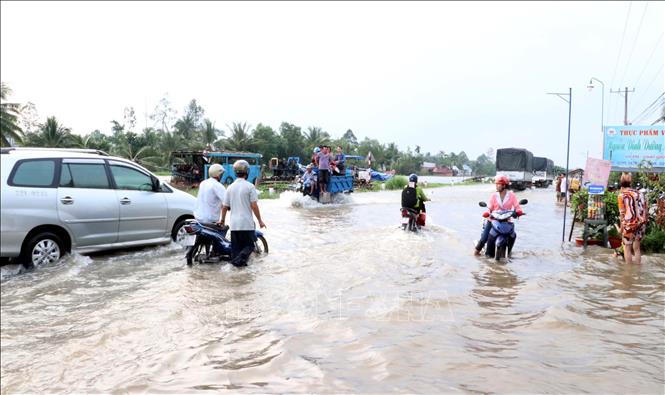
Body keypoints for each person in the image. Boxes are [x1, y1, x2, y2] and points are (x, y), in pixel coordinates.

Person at [220, 160, 266, 267]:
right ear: (247, 172)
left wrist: (222, 220)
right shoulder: (250, 187)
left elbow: (224, 207)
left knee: (236, 251)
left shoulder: (230, 187)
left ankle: (237, 276)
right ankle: (237, 264)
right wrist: (260, 220)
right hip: (246, 223)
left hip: (234, 225)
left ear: (235, 173)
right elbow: (254, 206)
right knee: (250, 246)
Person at [473, 175, 523, 256]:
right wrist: (487, 213)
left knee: (512, 234)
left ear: (504, 185)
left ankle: (509, 252)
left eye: (498, 184)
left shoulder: (511, 195)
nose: (496, 186)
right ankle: (475, 253)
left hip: (506, 221)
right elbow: (489, 207)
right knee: (483, 239)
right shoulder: (494, 196)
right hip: (493, 220)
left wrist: (519, 211)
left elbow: (517, 206)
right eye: (496, 184)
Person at [617, 172, 648, 264]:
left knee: (627, 246)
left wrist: (621, 229)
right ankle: (637, 270)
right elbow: (645, 209)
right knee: (637, 248)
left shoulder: (621, 195)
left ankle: (628, 272)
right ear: (630, 182)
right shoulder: (639, 193)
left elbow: (622, 214)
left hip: (629, 224)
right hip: (641, 223)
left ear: (621, 183)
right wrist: (644, 222)